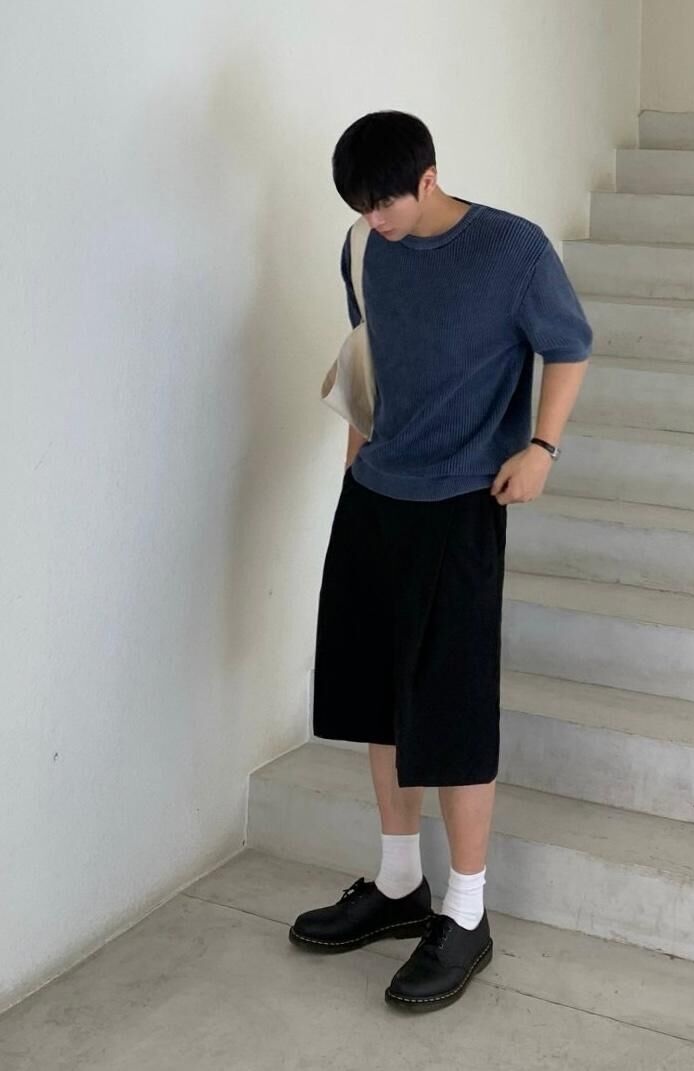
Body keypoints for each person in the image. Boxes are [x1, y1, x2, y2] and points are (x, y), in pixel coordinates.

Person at [289, 110, 592, 1012]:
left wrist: (542, 447)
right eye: (359, 206)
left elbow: (569, 344)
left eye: (384, 203)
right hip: (376, 494)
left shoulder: (512, 251)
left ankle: (466, 911)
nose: (372, 220)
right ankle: (397, 885)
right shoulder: (363, 246)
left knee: (452, 709)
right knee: (377, 697)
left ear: (428, 178)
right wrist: (355, 468)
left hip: (463, 500)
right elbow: (371, 353)